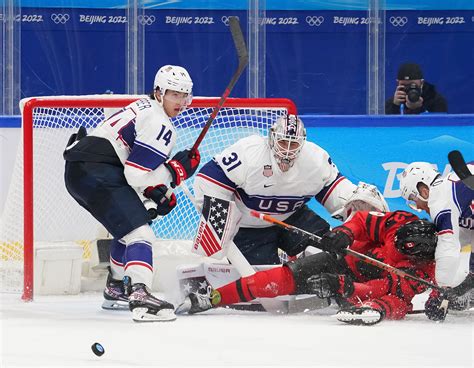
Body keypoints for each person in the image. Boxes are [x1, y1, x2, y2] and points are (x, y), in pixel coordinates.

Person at [63, 65, 200, 322]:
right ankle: (141, 296)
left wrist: (156, 192)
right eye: (174, 94)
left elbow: (132, 168)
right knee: (141, 233)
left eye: (184, 95)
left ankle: (115, 288)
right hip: (96, 170)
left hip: (82, 168)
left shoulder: (144, 106)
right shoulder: (161, 124)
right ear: (159, 92)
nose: (180, 102)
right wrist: (175, 171)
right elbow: (136, 175)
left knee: (131, 225)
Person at [180, 210, 437, 326]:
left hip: (363, 290)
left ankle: (365, 308)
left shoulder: (423, 272)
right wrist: (344, 235)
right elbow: (362, 220)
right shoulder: (400, 222)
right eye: (396, 241)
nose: (395, 246)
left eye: (403, 249)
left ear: (417, 254)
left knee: (394, 302)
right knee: (272, 280)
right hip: (342, 261)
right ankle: (212, 299)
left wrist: (345, 286)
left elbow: (382, 288)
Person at [193, 114, 369, 265]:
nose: (286, 151)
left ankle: (297, 258)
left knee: (329, 254)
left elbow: (336, 192)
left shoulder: (316, 159)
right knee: (264, 283)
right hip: (248, 227)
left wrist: (361, 211)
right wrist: (219, 219)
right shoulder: (249, 153)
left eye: (293, 144)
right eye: (283, 142)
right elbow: (209, 179)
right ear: (272, 137)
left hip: (293, 219)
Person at [399, 162, 474, 318]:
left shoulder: (440, 201)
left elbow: (448, 247)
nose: (418, 206)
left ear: (423, 191)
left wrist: (441, 293)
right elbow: (465, 234)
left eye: (414, 200)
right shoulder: (450, 188)